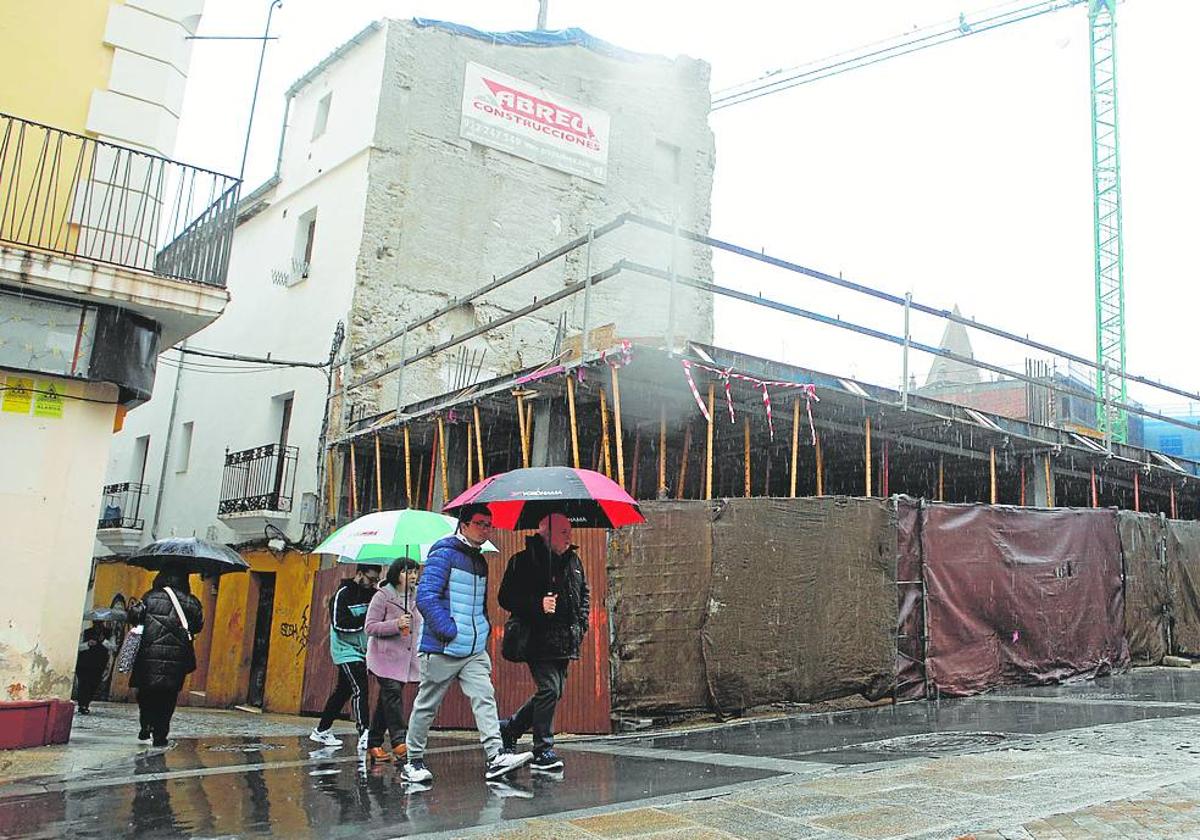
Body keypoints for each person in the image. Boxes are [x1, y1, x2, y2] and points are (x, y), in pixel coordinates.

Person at [401, 504, 532, 783]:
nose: (486, 529)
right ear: (464, 524)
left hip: (472, 649)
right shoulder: (444, 553)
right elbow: (425, 596)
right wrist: (448, 630)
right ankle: (413, 761)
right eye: (481, 523)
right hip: (442, 647)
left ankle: (496, 756)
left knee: (485, 697)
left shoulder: (479, 559)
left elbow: (478, 604)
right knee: (427, 705)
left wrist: (481, 629)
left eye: (489, 524)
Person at [498, 513, 590, 772]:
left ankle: (511, 728)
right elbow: (505, 597)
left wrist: (582, 623)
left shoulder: (573, 559)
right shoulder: (523, 561)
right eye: (563, 532)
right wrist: (537, 604)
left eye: (569, 531)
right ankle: (543, 750)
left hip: (566, 638)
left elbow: (584, 592)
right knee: (549, 689)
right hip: (537, 638)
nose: (569, 536)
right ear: (545, 534)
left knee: (554, 692)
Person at [129, 568, 203, 747]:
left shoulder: (149, 597)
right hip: (177, 658)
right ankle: (160, 735)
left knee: (146, 693)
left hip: (148, 655)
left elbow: (136, 619)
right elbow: (198, 626)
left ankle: (146, 723)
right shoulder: (192, 602)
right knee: (168, 698)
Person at [311, 564, 380, 751]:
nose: (373, 583)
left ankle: (321, 730)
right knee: (360, 688)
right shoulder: (343, 594)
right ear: (359, 574)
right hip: (345, 650)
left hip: (363, 650)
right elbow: (340, 624)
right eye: (370, 579)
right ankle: (364, 732)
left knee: (343, 691)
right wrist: (366, 619)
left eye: (376, 580)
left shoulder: (374, 594)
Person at [363, 557, 422, 764]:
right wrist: (395, 624)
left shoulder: (417, 596)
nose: (413, 576)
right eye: (408, 572)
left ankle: (374, 743)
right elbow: (370, 627)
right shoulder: (383, 596)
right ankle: (399, 741)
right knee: (393, 694)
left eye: (415, 572)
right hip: (384, 657)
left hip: (405, 658)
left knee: (385, 700)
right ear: (396, 574)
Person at [74, 622, 117, 714]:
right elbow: (77, 646)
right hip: (84, 663)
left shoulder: (109, 633)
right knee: (83, 684)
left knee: (93, 684)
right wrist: (88, 644)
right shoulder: (86, 632)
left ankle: (87, 702)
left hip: (99, 664)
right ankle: (82, 704)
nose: (98, 625)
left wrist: (104, 641)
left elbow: (113, 647)